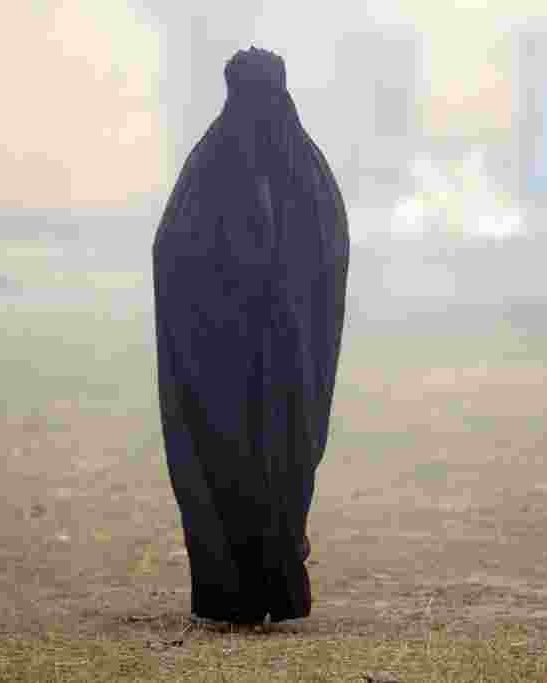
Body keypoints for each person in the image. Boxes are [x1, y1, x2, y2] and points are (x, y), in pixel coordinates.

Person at [153, 47, 349, 626]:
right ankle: (230, 589)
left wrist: (283, 295)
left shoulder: (224, 166)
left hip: (278, 355)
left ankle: (275, 584)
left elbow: (329, 251)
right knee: (236, 462)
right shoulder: (254, 169)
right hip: (229, 355)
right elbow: (174, 255)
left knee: (279, 464)